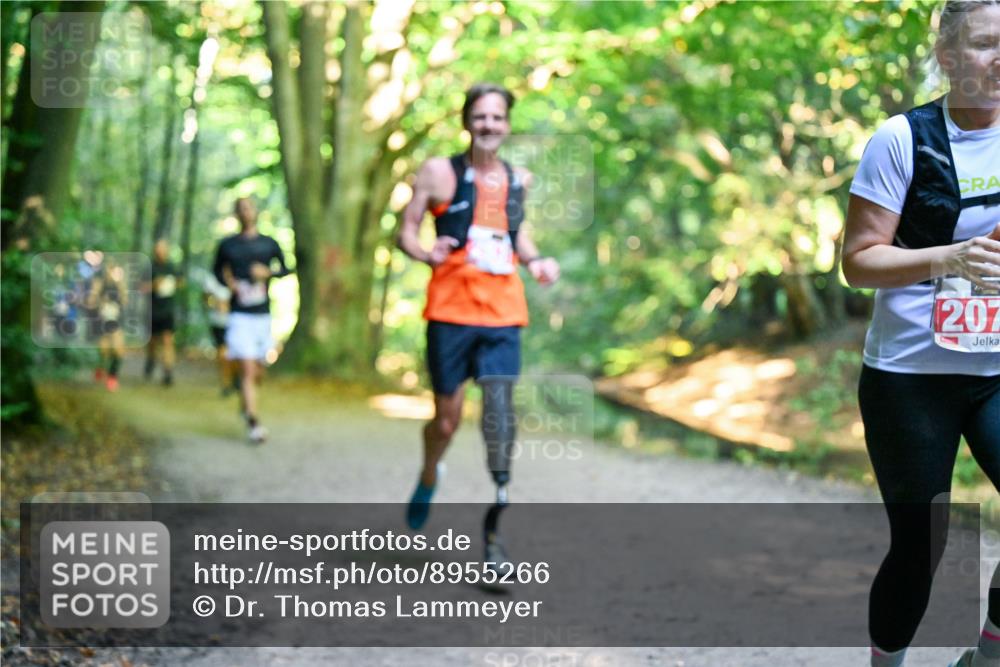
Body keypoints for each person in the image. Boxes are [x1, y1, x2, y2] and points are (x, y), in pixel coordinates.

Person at [841, 2, 1000, 666]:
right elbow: (858, 262)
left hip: (995, 372)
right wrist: (950, 259)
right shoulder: (902, 139)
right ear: (949, 56)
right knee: (921, 543)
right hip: (910, 378)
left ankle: (989, 653)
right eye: (986, 43)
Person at [396, 83, 560, 568]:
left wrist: (537, 262)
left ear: (507, 125)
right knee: (446, 421)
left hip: (503, 315)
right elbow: (406, 230)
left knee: (499, 412)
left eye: (498, 117)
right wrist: (426, 253)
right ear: (466, 121)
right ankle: (430, 473)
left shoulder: (518, 179)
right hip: (450, 313)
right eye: (481, 116)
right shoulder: (439, 172)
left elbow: (515, 235)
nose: (489, 125)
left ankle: (495, 530)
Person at [212, 197, 291, 443]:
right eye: (241, 209)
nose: (246, 212)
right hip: (239, 315)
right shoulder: (228, 245)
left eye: (249, 207)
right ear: (236, 214)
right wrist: (230, 283)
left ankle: (246, 402)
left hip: (262, 315)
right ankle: (254, 422)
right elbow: (216, 271)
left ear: (256, 212)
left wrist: (268, 273)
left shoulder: (269, 244)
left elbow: (286, 269)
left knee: (257, 371)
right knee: (247, 368)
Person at [144, 238, 183, 386]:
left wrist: (174, 283)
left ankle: (168, 372)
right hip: (152, 311)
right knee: (153, 342)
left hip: (167, 311)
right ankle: (151, 360)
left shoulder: (172, 267)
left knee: (168, 341)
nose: (161, 252)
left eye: (163, 249)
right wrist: (154, 285)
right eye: (158, 250)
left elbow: (181, 282)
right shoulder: (149, 267)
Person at [88, 256, 128, 392]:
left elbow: (125, 301)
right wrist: (99, 300)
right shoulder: (100, 282)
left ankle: (112, 377)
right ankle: (100, 368)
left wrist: (121, 286)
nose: (112, 271)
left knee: (118, 349)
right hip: (102, 320)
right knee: (104, 350)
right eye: (110, 268)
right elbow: (91, 300)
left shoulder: (120, 283)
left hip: (116, 320)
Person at [203, 270, 236, 396]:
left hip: (235, 322)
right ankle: (226, 382)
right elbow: (206, 299)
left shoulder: (239, 274)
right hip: (218, 322)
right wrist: (215, 303)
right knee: (222, 353)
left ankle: (235, 378)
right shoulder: (212, 279)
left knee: (235, 352)